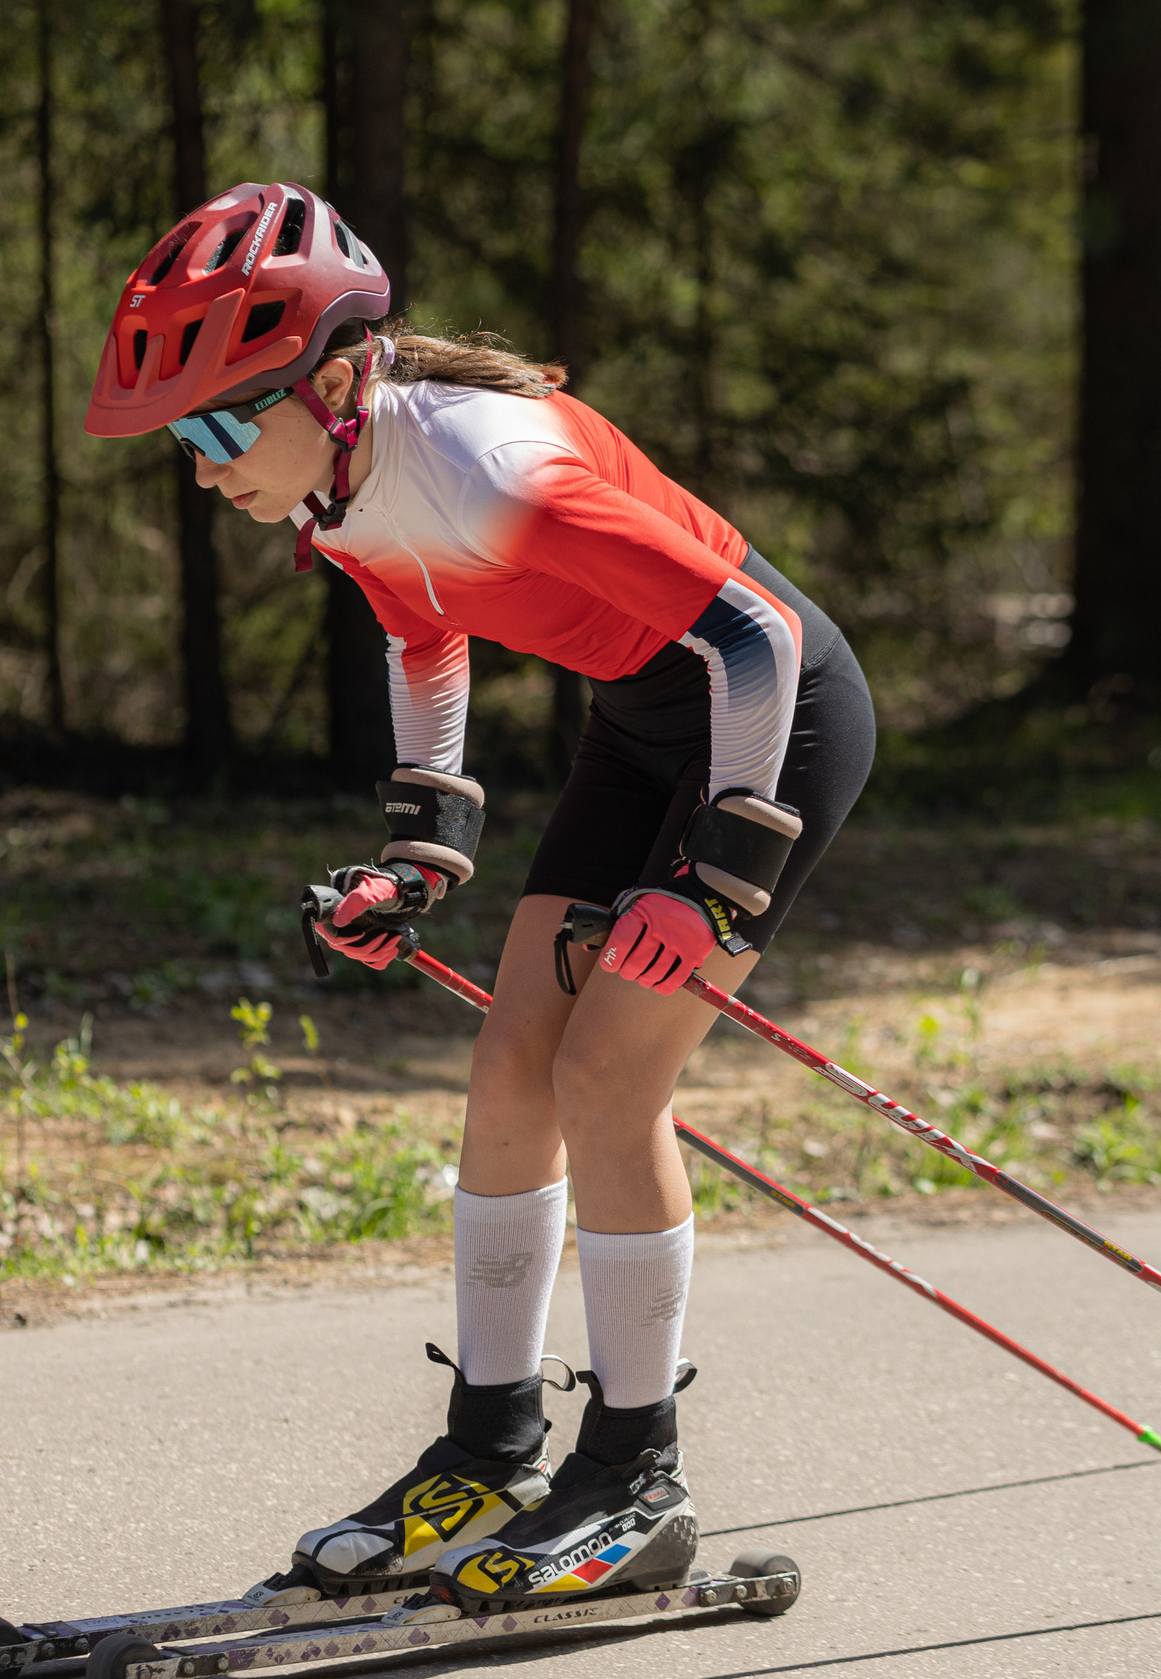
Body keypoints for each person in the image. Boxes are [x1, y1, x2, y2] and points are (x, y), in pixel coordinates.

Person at [85, 181, 874, 1610]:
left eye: (213, 430)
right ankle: (495, 1446)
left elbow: (758, 637)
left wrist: (720, 877)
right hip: (643, 723)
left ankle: (637, 1477)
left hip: (773, 722)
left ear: (329, 381)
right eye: (181, 443)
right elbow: (425, 637)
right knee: (511, 1070)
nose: (202, 471)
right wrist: (420, 848)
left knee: (604, 1083)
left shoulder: (496, 467)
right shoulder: (333, 487)